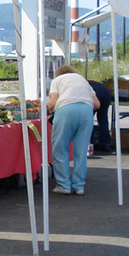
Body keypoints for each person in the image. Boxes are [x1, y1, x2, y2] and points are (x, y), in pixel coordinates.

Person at [47, 65, 100, 195]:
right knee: (81, 151)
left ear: (58, 74)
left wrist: (49, 108)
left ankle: (64, 184)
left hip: (66, 110)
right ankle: (79, 185)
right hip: (86, 111)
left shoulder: (57, 81)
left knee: (60, 148)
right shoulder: (82, 79)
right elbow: (97, 104)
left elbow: (53, 103)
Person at [88, 79, 113, 152]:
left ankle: (90, 143)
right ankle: (105, 143)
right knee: (103, 119)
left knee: (89, 120)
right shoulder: (84, 81)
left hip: (94, 91)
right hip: (105, 90)